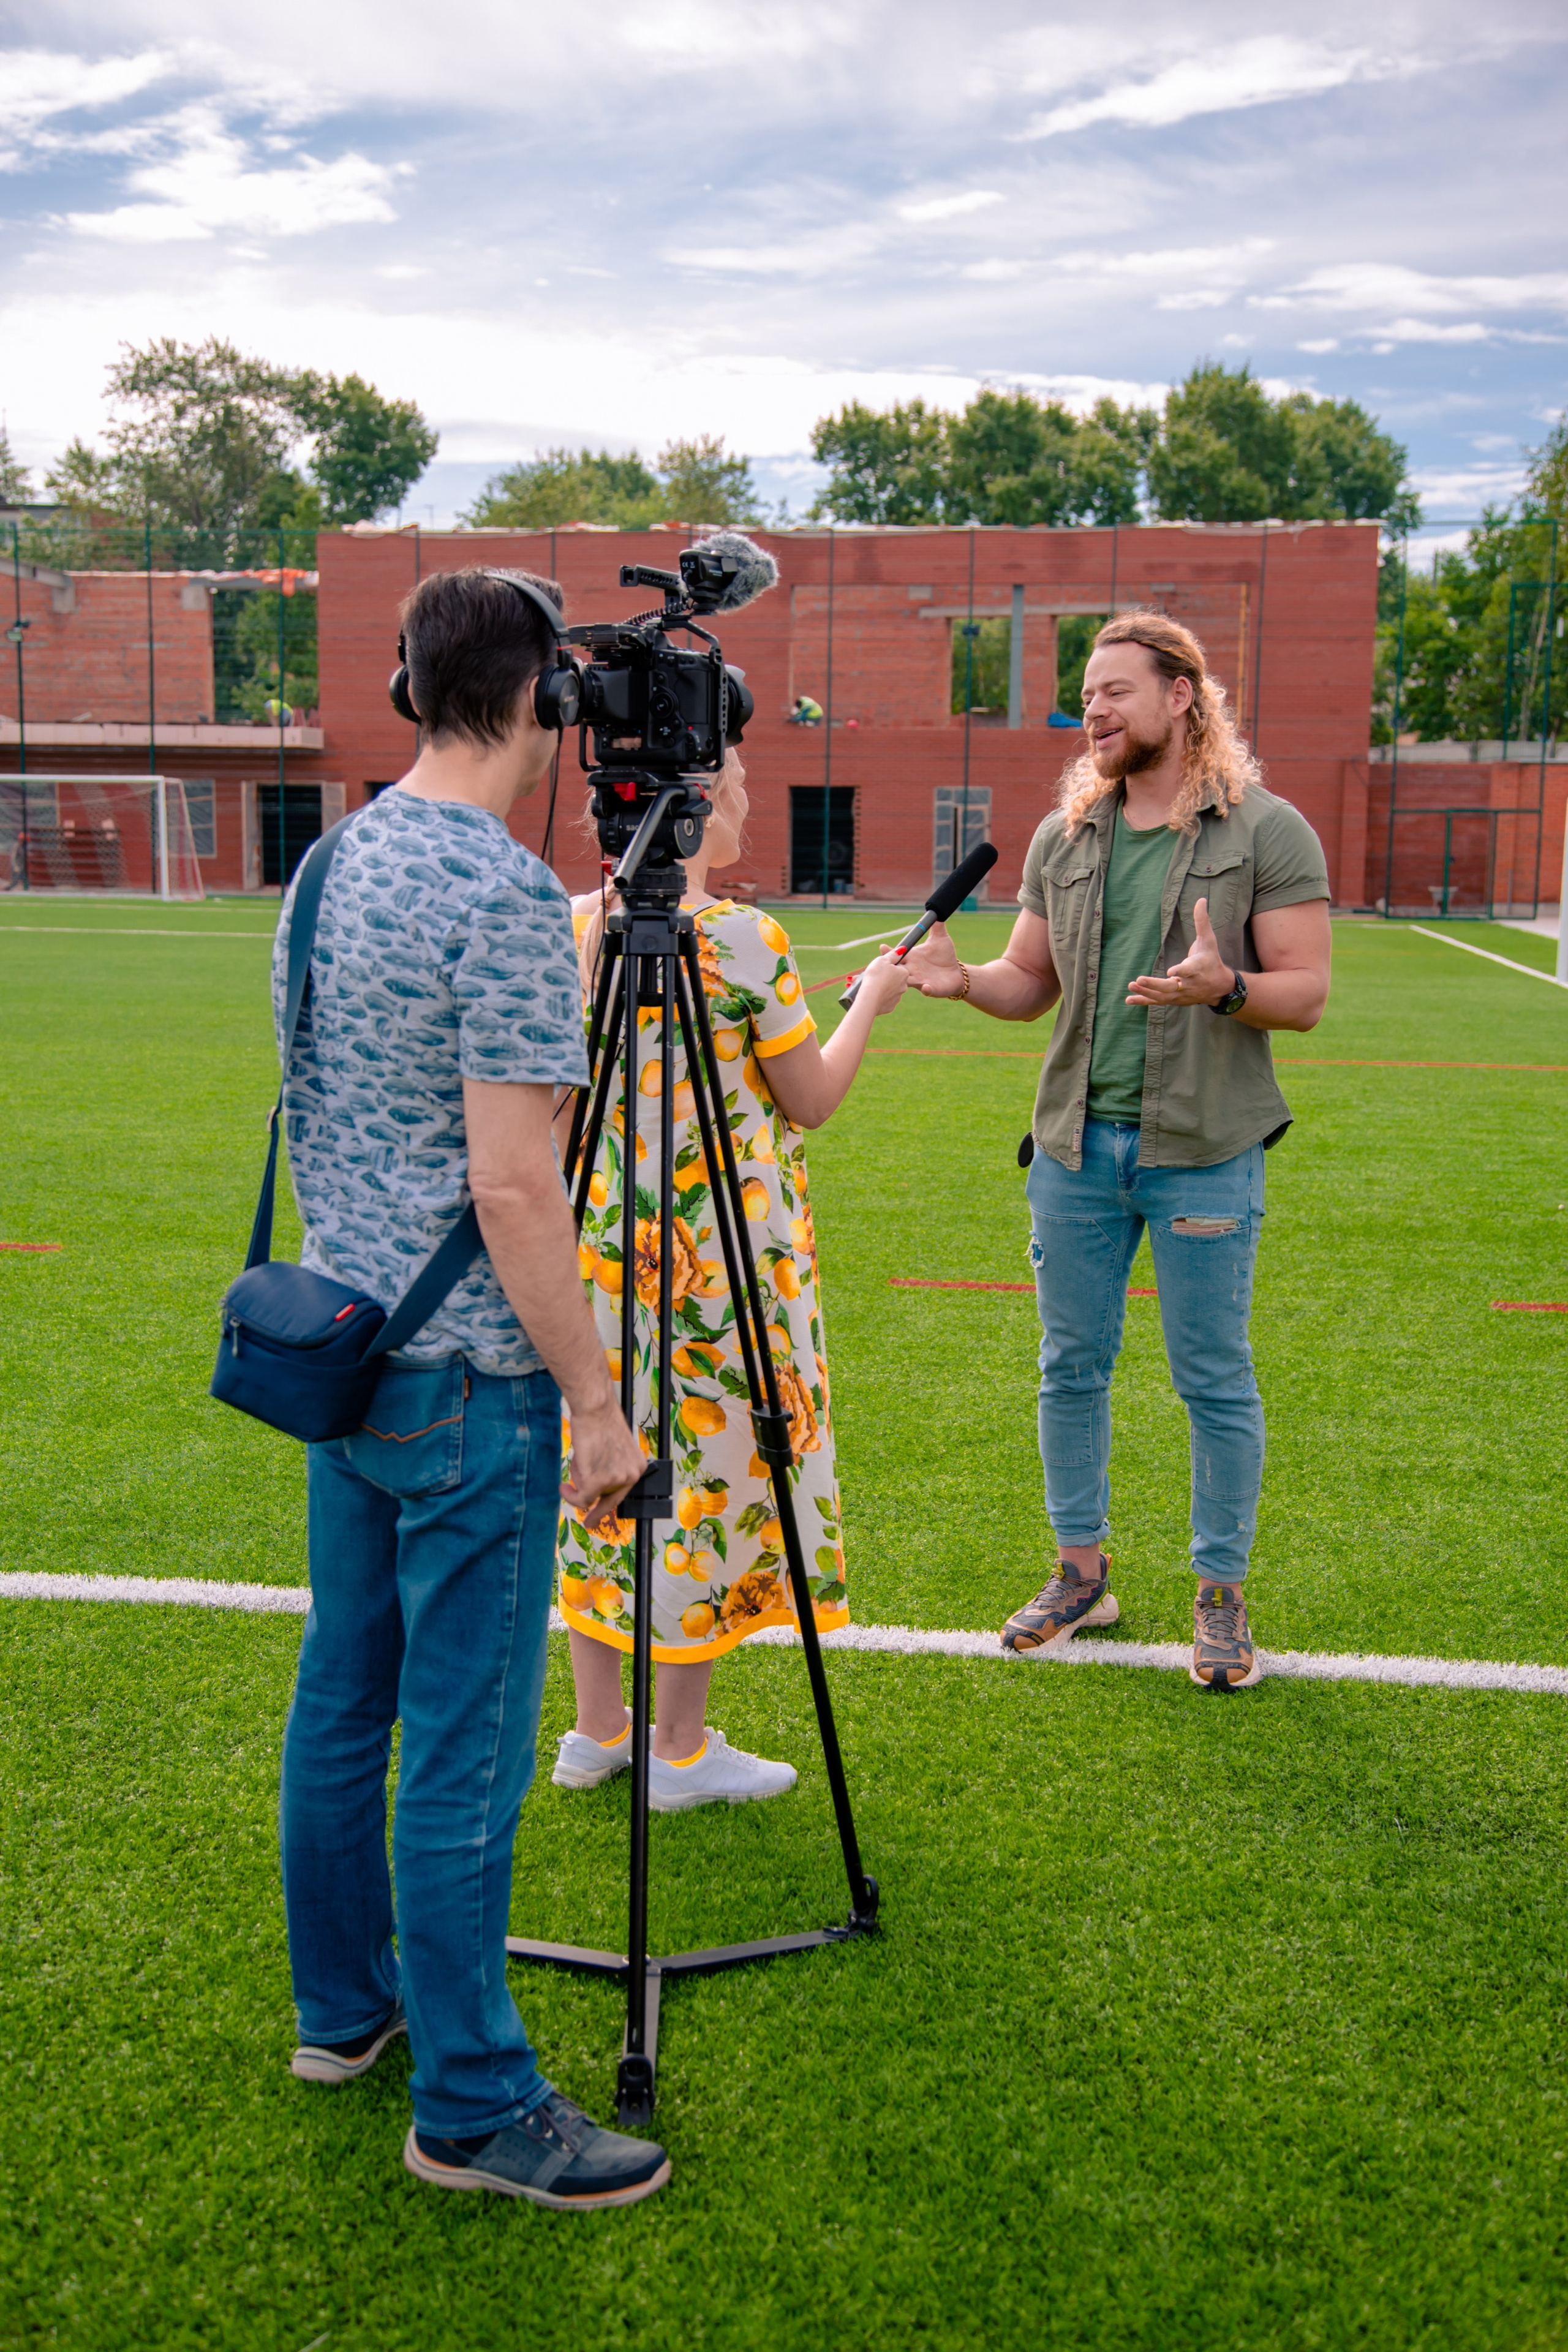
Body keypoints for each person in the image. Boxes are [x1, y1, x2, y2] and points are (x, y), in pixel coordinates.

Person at [273, 566, 671, 2209]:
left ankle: (343, 2013)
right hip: (470, 1384)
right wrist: (597, 1400)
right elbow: (519, 1190)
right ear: (545, 701)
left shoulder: (327, 862)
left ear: (407, 683)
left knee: (341, 1699)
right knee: (453, 1746)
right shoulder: (505, 897)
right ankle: (475, 2106)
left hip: (341, 1352)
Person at [903, 611, 1332, 1691]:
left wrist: (1221, 986)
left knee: (1213, 1378)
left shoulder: (1267, 832)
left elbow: (1307, 993)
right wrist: (964, 986)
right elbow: (1027, 982)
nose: (1091, 709)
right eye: (1085, 694)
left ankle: (1222, 1597)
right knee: (1070, 1365)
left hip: (1204, 1149)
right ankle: (1080, 1573)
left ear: (1182, 697)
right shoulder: (1067, 837)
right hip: (1074, 1150)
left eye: (1114, 690)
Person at [553, 745, 910, 1801]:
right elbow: (810, 1098)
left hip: (597, 1253)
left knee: (600, 1473)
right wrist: (874, 1003)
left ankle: (594, 1729)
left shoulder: (570, 926)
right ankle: (681, 1749)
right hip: (720, 1265)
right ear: (696, 812)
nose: (750, 802)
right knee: (707, 1482)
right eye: (739, 788)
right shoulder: (745, 940)